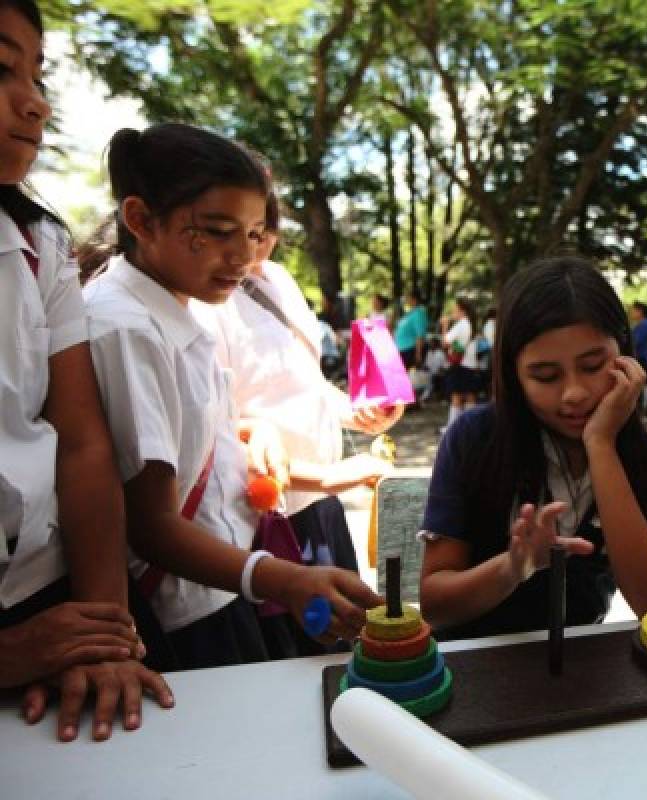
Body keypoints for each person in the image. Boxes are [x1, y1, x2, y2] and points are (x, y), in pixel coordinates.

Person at [83, 122, 381, 671]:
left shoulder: (178, 308)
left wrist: (252, 431)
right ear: (141, 220)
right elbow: (153, 526)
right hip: (191, 606)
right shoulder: (126, 327)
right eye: (218, 231)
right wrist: (282, 578)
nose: (242, 255)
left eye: (253, 232)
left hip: (227, 580)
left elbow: (200, 440)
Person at [0, 0, 172, 743]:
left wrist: (100, 632)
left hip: (47, 597)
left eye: (38, 75)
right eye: (1, 69)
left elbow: (82, 440)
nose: (33, 101)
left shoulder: (38, 244)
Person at [418, 256, 647, 640]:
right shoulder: (475, 438)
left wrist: (601, 443)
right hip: (472, 660)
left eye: (592, 366)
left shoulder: (646, 454)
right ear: (513, 375)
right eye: (545, 375)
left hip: (581, 658)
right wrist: (513, 567)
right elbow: (435, 604)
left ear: (623, 353)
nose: (574, 393)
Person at [202, 189, 398, 656]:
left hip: (318, 507)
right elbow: (219, 439)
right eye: (242, 232)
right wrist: (329, 477)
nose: (256, 247)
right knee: (300, 657)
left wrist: (357, 412)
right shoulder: (208, 300)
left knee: (343, 646)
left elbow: (305, 382)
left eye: (264, 231)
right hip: (267, 518)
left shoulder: (277, 280)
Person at [442, 296, 476, 430]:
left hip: (459, 365)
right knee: (469, 395)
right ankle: (470, 426)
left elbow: (445, 342)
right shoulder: (469, 324)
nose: (453, 313)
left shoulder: (461, 324)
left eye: (455, 310)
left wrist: (444, 326)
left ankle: (452, 427)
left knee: (456, 395)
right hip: (469, 364)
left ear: (462, 311)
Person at [393, 290, 428, 370]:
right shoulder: (409, 314)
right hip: (400, 350)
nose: (406, 300)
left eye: (408, 297)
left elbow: (420, 335)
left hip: (409, 350)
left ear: (414, 299)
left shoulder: (419, 313)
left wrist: (418, 355)